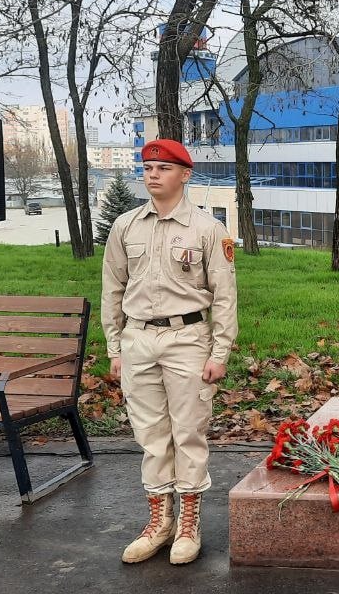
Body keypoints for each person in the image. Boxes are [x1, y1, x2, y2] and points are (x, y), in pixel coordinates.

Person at [102, 138, 238, 565]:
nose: (152, 175)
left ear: (185, 174)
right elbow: (113, 289)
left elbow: (225, 296)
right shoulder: (126, 226)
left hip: (187, 341)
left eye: (162, 168)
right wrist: (114, 346)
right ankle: (159, 524)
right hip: (138, 340)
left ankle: (188, 526)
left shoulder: (207, 230)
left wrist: (220, 353)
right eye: (147, 169)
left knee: (188, 433)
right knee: (151, 437)